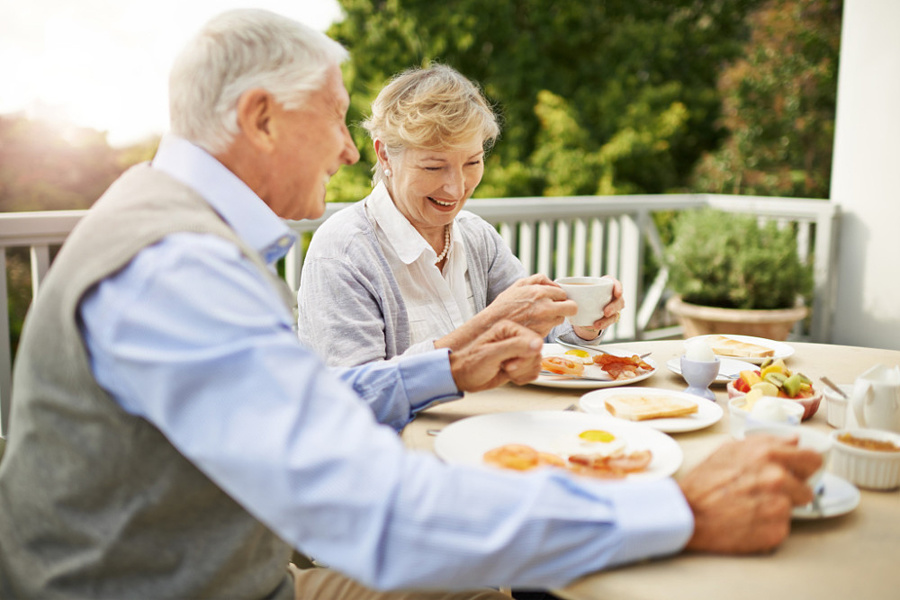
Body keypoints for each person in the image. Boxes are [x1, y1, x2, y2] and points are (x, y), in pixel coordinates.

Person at [0, 9, 821, 600]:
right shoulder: (175, 270)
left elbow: (301, 408)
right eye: (333, 117)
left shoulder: (172, 226)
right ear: (261, 119)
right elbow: (376, 514)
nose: (349, 148)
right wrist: (673, 507)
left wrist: (449, 364)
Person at [297, 64, 624, 367]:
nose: (456, 189)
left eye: (472, 163)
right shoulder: (342, 254)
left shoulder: (476, 237)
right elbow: (358, 392)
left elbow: (547, 340)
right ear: (384, 154)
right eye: (433, 166)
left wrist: (586, 322)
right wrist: (490, 323)